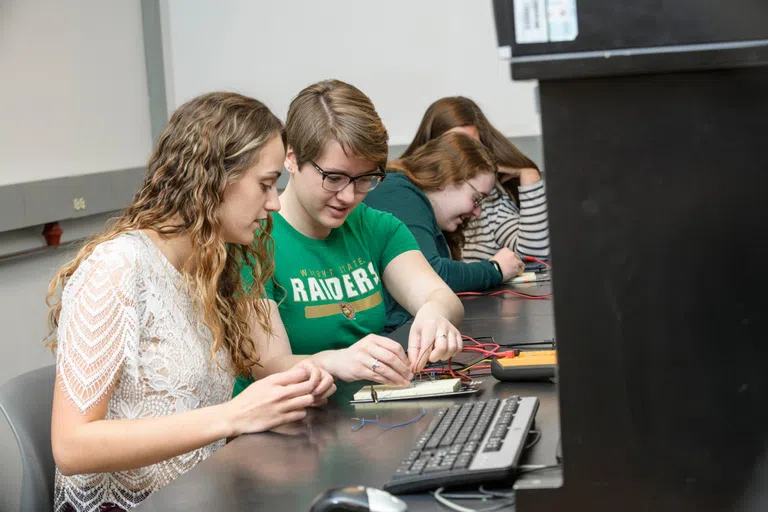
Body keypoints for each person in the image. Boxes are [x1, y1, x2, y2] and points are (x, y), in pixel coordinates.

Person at [47, 92, 334, 512]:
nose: (273, 203)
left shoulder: (208, 266)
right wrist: (234, 416)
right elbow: (71, 446)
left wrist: (296, 386)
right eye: (266, 184)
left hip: (201, 496)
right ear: (214, 177)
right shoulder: (117, 267)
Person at [233, 79, 464, 398]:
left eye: (364, 179)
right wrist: (333, 362)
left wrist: (434, 313)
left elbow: (440, 295)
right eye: (333, 178)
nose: (348, 196)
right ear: (291, 158)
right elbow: (268, 365)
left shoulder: (375, 227)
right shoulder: (253, 240)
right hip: (286, 427)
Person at [364, 131, 526, 332]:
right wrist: (495, 270)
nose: (477, 212)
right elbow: (432, 272)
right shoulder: (399, 192)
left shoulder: (411, 199)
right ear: (447, 177)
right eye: (476, 198)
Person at [400, 96, 550, 262]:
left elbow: (533, 255)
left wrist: (530, 176)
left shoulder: (488, 202)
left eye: (472, 146)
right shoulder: (404, 194)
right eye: (453, 145)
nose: (464, 155)